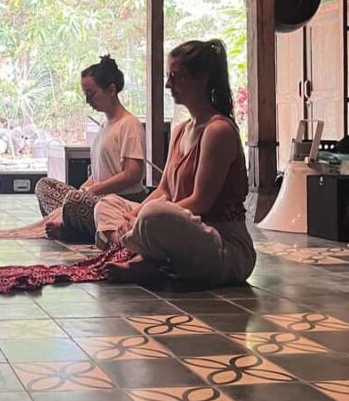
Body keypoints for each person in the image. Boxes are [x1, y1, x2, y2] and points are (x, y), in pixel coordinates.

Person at [96, 39, 255, 285]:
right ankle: (147, 255)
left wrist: (142, 219)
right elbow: (164, 190)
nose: (169, 84)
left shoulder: (218, 130)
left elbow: (200, 202)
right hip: (181, 232)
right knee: (107, 205)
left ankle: (137, 250)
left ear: (202, 78)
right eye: (168, 77)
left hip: (221, 245)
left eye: (176, 77)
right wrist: (134, 214)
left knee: (155, 214)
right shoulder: (181, 130)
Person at [36, 55, 146, 241]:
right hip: (97, 197)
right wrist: (85, 188)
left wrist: (92, 191)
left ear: (111, 90)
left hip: (118, 203)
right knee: (44, 186)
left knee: (77, 201)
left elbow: (132, 174)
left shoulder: (129, 124)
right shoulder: (104, 126)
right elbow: (100, 172)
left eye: (91, 94)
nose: (88, 101)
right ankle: (74, 226)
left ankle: (74, 231)